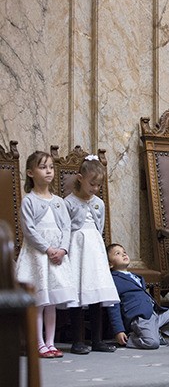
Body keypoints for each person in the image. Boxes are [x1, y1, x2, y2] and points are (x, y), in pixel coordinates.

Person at [15, 151, 77, 358]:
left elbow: (66, 227)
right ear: (31, 173)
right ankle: (39, 343)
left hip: (56, 257)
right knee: (39, 301)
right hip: (38, 257)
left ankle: (50, 343)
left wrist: (63, 249)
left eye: (50, 167)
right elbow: (29, 230)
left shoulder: (59, 201)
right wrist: (47, 249)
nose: (48, 171)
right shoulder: (29, 201)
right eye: (43, 167)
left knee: (51, 303)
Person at [65, 155, 120, 354]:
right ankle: (78, 340)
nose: (95, 189)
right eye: (92, 184)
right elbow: (65, 228)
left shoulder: (99, 203)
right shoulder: (68, 202)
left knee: (97, 293)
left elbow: (100, 227)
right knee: (79, 294)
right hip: (77, 249)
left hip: (94, 249)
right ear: (80, 178)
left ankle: (97, 340)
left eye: (98, 185)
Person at [106, 243, 169, 349]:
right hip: (140, 318)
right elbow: (113, 307)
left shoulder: (137, 277)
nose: (123, 254)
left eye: (124, 252)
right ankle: (130, 338)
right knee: (152, 343)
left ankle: (155, 333)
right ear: (110, 264)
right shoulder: (113, 280)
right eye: (118, 253)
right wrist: (118, 331)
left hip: (154, 314)